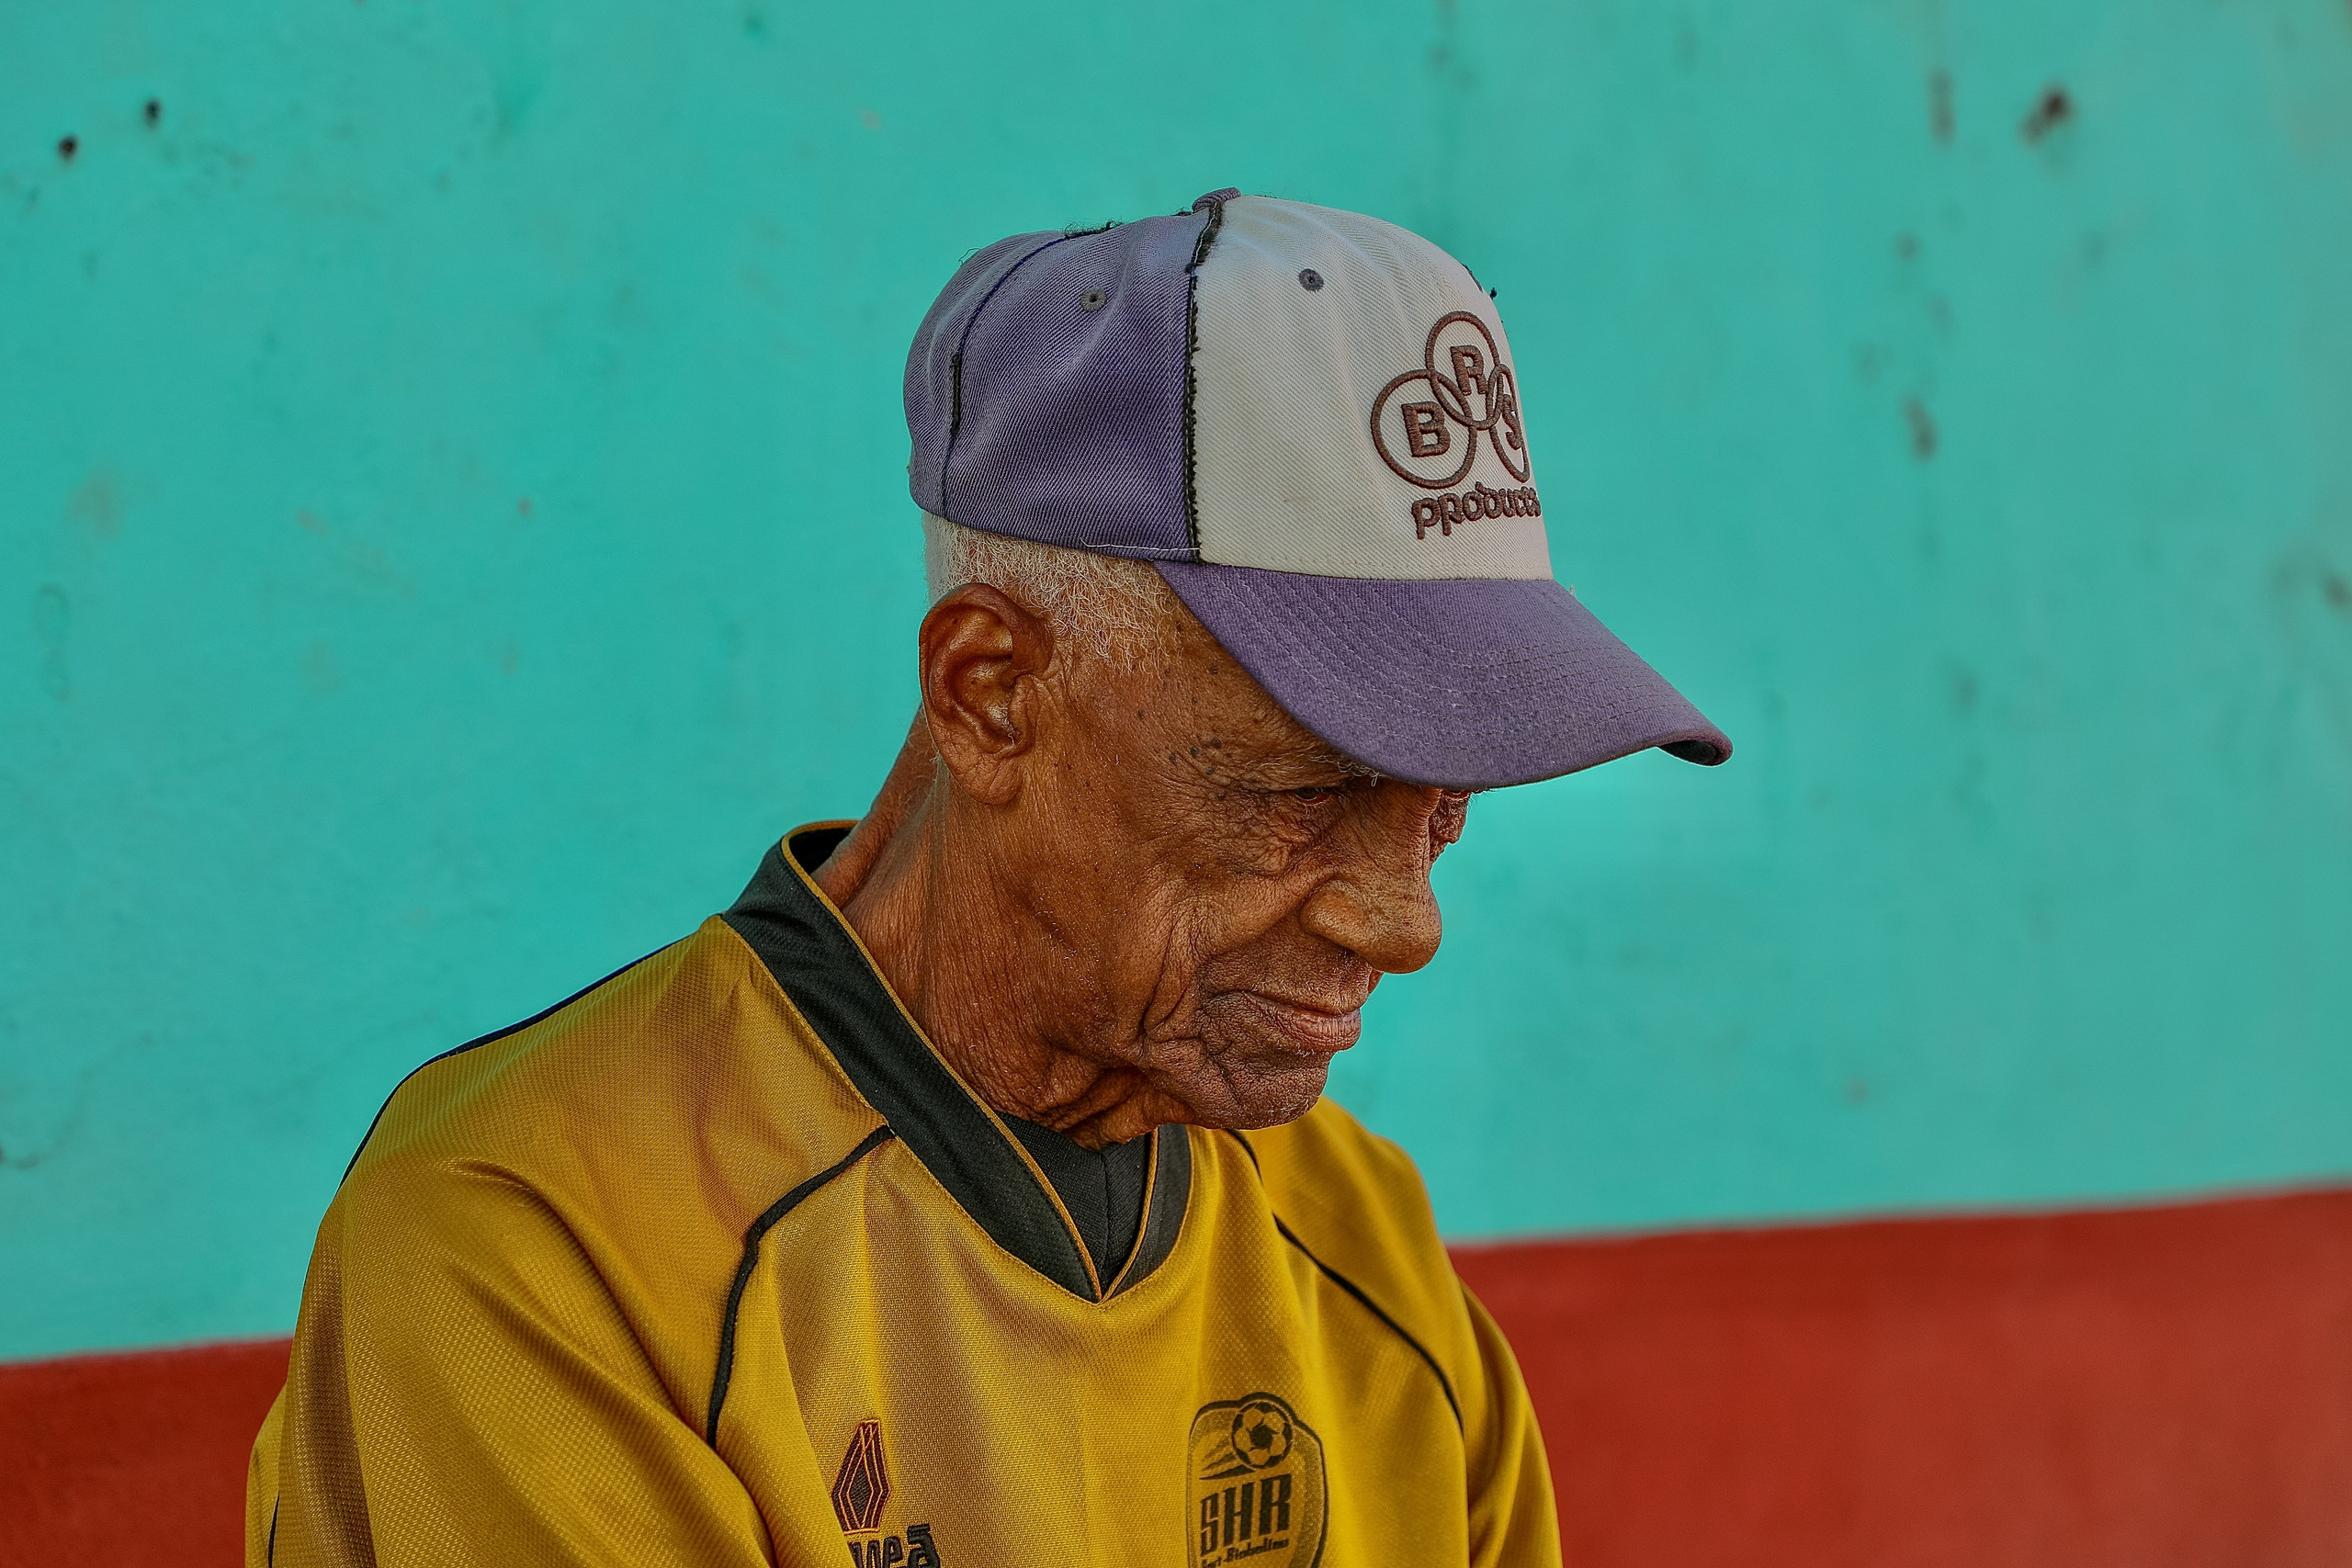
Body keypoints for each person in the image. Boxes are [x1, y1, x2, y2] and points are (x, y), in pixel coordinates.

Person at [246, 188, 1728, 1568]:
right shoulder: (541, 1236)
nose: (1407, 926)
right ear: (991, 692)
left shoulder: (1361, 1249)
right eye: (1304, 792)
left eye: (1446, 805)